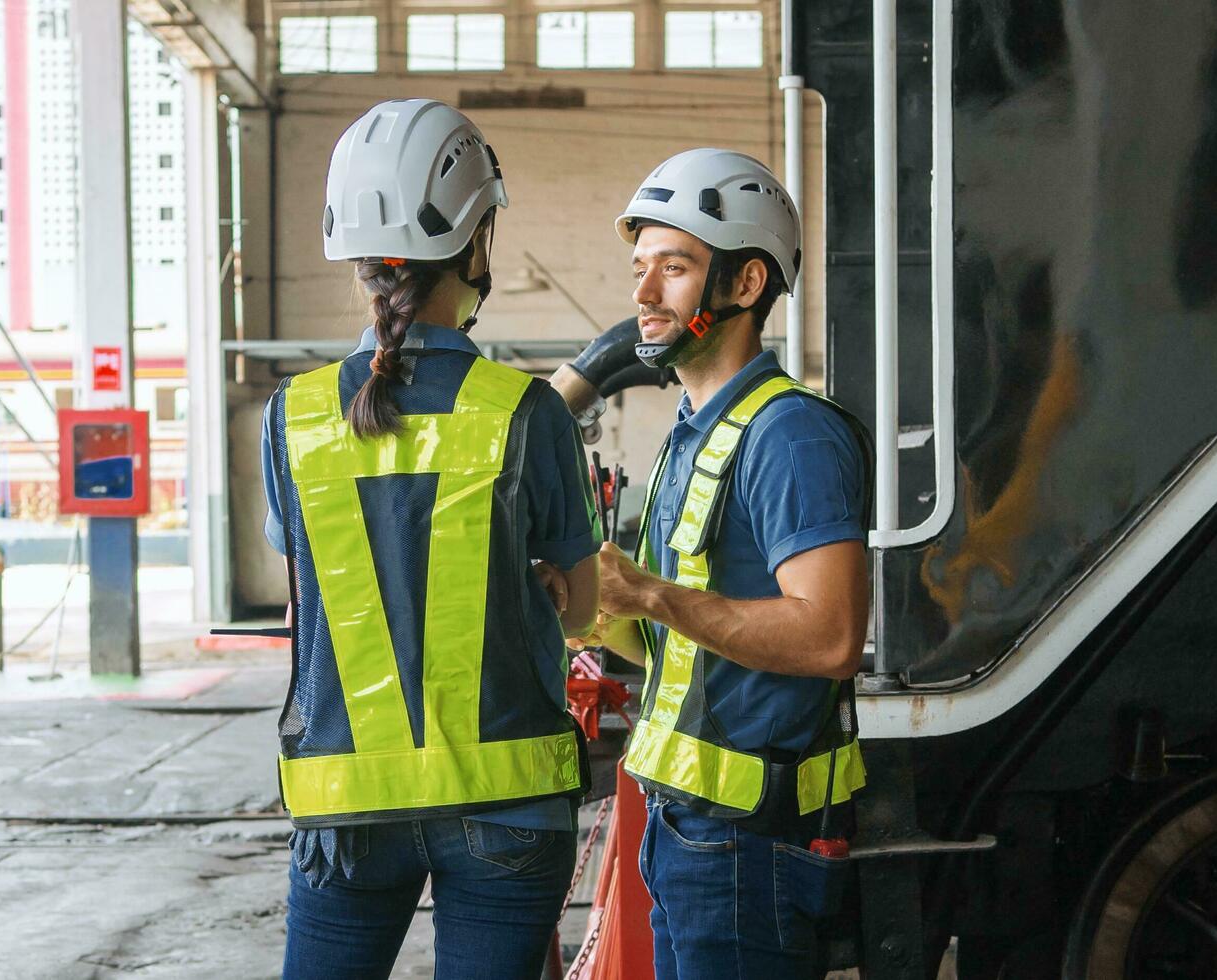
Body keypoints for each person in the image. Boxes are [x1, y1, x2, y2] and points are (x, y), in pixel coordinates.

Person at [264, 98, 601, 980]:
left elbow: (313, 583)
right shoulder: (526, 412)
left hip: (344, 804)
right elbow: (581, 616)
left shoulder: (291, 417)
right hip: (507, 805)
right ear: (477, 242)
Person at [591, 148, 873, 980]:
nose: (642, 294)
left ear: (745, 285)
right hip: (686, 829)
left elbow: (826, 638)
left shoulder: (790, 433)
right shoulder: (692, 430)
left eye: (672, 268)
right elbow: (684, 650)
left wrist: (646, 591)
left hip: (750, 845)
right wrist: (593, 608)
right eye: (640, 268)